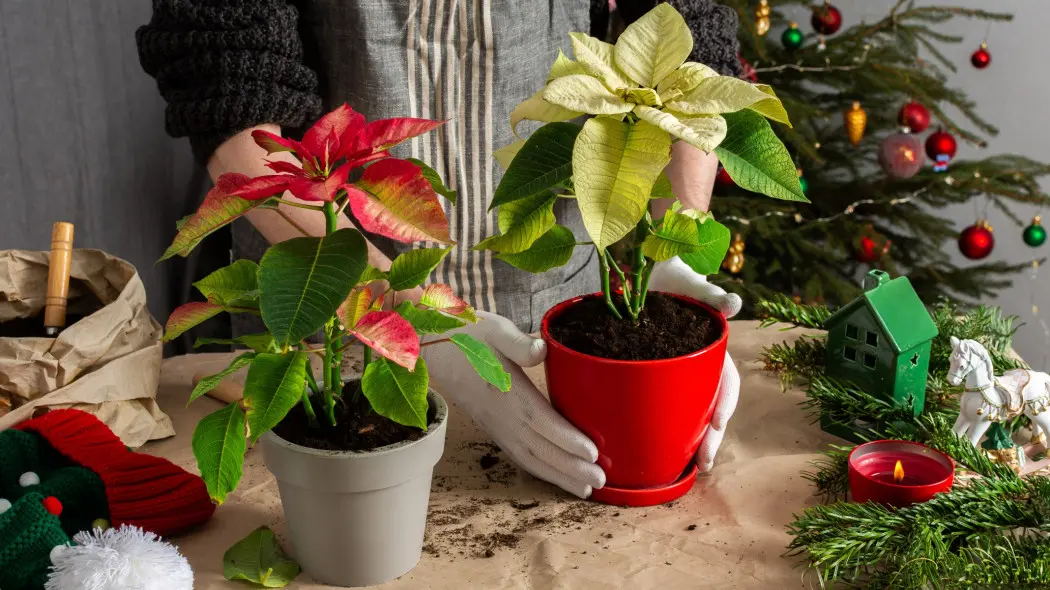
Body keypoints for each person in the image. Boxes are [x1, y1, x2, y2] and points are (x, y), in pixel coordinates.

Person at [136, 0, 742, 499]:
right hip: (333, 329)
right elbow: (227, 82)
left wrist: (673, 247)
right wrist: (411, 315)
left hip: (554, 319)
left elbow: (682, 32)